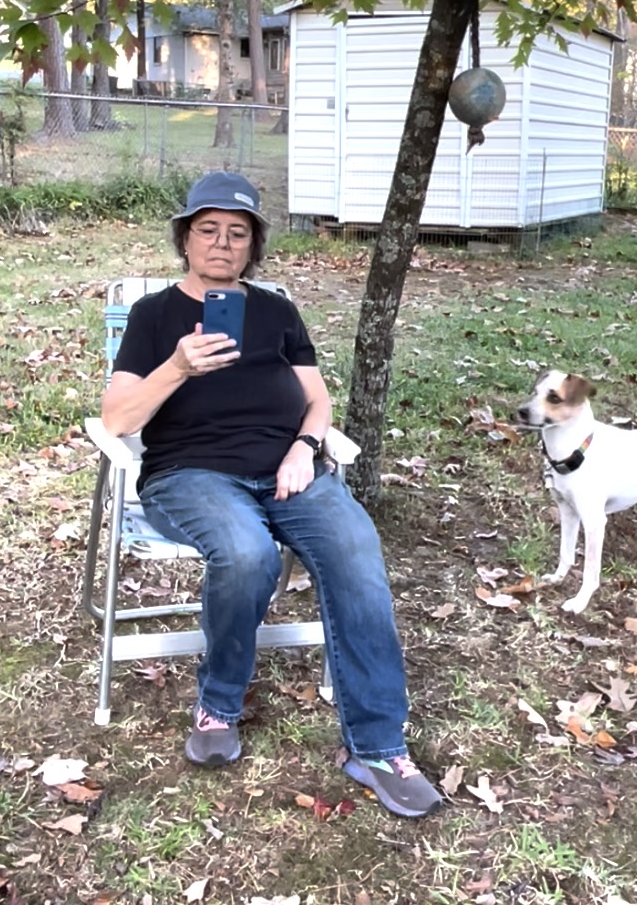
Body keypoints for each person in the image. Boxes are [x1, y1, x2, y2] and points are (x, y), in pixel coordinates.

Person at [101, 171, 442, 819]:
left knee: (356, 551)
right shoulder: (154, 316)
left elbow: (316, 399)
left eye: (238, 233)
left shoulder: (279, 312)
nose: (223, 244)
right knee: (247, 552)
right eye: (209, 230)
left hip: (290, 471)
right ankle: (217, 704)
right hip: (191, 476)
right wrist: (177, 366)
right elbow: (117, 419)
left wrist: (304, 448)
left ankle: (377, 748)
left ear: (252, 247)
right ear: (186, 239)